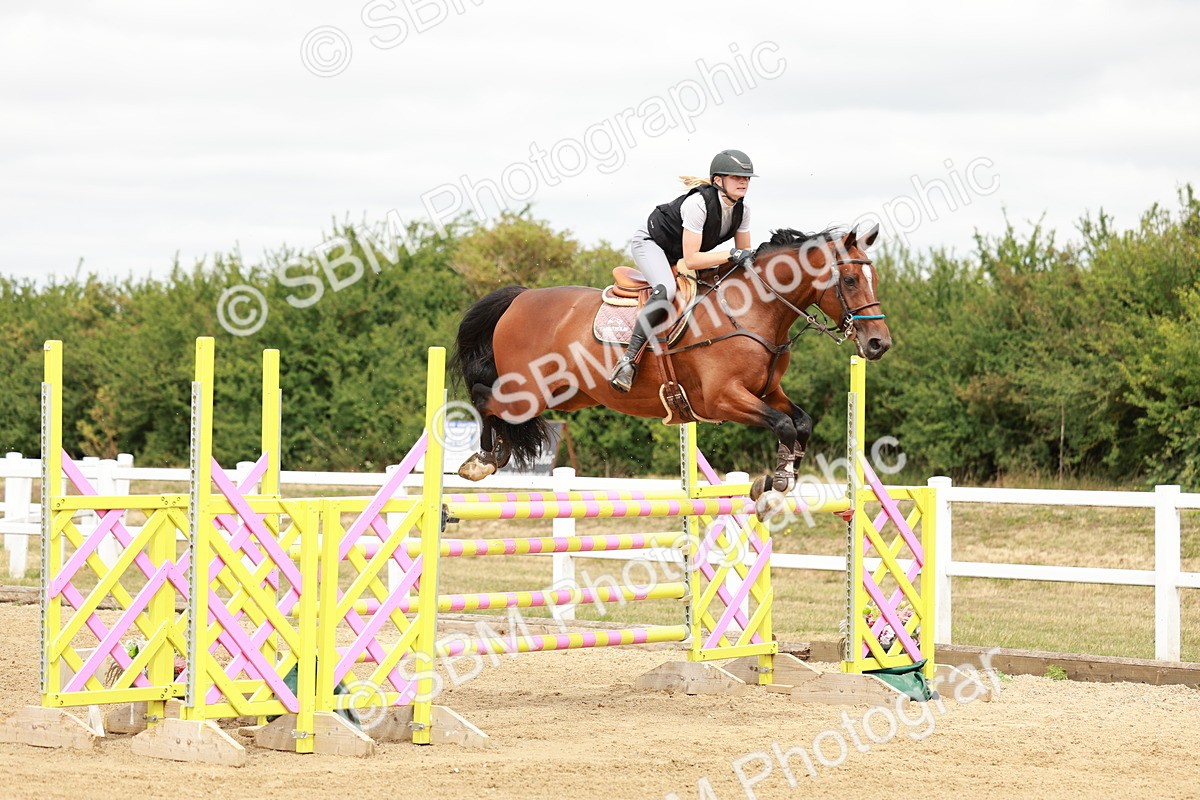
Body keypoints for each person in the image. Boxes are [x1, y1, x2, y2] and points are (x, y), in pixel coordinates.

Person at [609, 149, 758, 392]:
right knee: (666, 290)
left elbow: (743, 256)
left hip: (681, 252)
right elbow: (691, 259)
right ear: (718, 181)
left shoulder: (744, 210)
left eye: (747, 178)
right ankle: (628, 361)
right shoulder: (698, 204)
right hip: (652, 244)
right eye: (736, 177)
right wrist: (732, 255)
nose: (743, 182)